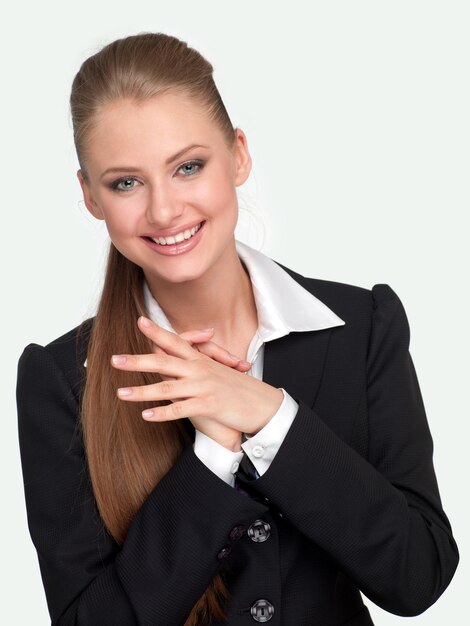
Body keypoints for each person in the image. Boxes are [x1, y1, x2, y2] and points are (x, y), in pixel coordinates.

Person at [16, 32, 459, 626]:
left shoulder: (361, 328)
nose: (164, 210)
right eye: (126, 182)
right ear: (90, 197)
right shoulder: (63, 378)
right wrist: (211, 456)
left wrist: (271, 418)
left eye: (188, 167)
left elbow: (418, 576)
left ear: (239, 155)